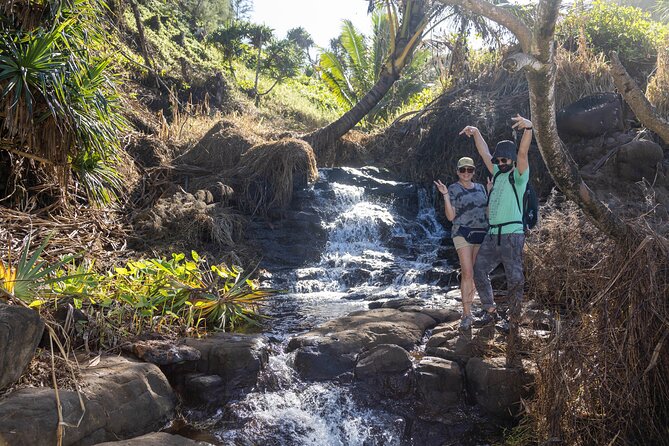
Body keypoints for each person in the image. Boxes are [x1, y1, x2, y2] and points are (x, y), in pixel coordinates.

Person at [459, 114, 533, 364]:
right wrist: (477, 132)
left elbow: (523, 155)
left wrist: (529, 129)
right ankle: (491, 311)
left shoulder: (518, 176)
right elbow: (484, 153)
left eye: (505, 159)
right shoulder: (498, 174)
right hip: (493, 234)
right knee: (479, 270)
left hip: (512, 234)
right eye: (498, 160)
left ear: (511, 160)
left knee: (515, 278)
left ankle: (514, 320)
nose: (501, 162)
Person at [434, 156, 488, 331]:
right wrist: (445, 196)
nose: (466, 173)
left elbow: (487, 213)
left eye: (469, 170)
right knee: (467, 272)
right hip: (462, 233)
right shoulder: (453, 188)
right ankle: (466, 314)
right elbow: (450, 217)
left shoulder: (481, 188)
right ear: (458, 171)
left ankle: (471, 308)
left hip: (481, 233)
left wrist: (491, 191)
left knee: (475, 274)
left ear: (473, 171)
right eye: (463, 170)